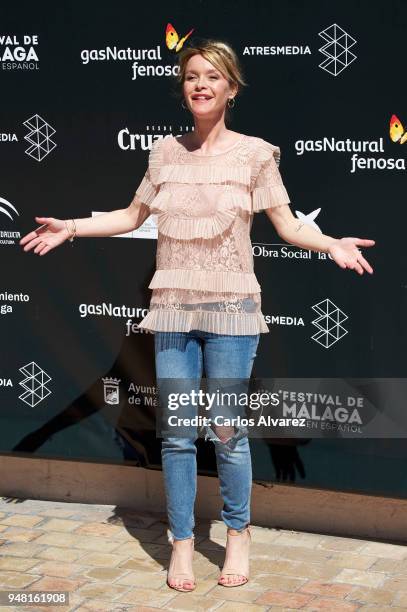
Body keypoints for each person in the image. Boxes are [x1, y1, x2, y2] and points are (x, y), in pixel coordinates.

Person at [19, 39, 375, 593]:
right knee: (179, 435)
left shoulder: (256, 154)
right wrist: (71, 225)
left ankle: (237, 533)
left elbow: (286, 225)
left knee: (227, 432)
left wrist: (329, 243)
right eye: (191, 76)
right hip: (173, 308)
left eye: (212, 76)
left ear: (232, 88)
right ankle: (182, 542)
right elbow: (130, 215)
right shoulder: (163, 153)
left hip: (232, 310)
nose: (200, 84)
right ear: (183, 88)